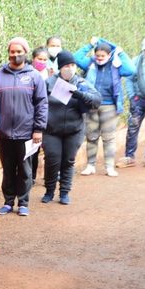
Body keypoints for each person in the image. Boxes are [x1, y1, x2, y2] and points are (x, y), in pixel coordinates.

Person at [0, 37, 48, 216]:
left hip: (26, 133)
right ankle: (8, 202)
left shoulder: (34, 76)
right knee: (8, 169)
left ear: (25, 52)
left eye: (19, 51)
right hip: (3, 133)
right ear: (8, 53)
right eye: (12, 52)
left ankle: (23, 203)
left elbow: (41, 103)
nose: (15, 55)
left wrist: (38, 129)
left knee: (25, 170)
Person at [41, 51, 101, 205]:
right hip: (51, 130)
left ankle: (64, 193)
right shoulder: (49, 82)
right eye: (66, 65)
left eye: (73, 65)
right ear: (60, 67)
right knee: (52, 160)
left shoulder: (81, 82)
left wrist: (79, 94)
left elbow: (97, 99)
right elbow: (38, 102)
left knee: (68, 160)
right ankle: (49, 191)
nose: (70, 68)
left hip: (74, 130)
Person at [74, 37, 136, 177]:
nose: (99, 58)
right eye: (97, 56)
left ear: (109, 55)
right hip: (91, 105)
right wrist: (90, 44)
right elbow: (76, 58)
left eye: (103, 56)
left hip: (110, 107)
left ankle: (109, 167)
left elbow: (131, 69)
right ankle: (90, 165)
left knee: (108, 138)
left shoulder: (116, 65)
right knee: (91, 136)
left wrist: (120, 52)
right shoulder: (90, 64)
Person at [116, 35, 145, 169]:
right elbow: (129, 79)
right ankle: (129, 156)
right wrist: (133, 97)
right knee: (133, 128)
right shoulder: (135, 61)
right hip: (139, 100)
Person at [30, 46, 50, 184]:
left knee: (43, 149)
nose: (42, 62)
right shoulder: (28, 73)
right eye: (39, 59)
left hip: (45, 117)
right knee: (31, 151)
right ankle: (29, 177)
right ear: (33, 59)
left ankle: (39, 177)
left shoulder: (51, 75)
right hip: (30, 116)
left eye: (44, 59)